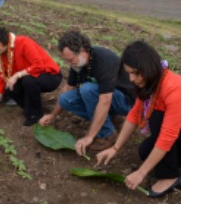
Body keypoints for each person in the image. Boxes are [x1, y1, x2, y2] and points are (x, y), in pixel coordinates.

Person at [96, 41, 181, 198]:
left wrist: (141, 173)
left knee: (157, 118)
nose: (131, 79)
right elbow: (134, 115)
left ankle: (171, 175)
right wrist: (115, 148)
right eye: (128, 73)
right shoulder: (150, 83)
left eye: (135, 73)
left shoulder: (175, 88)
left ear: (147, 68)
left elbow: (168, 136)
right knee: (144, 152)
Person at [40, 30, 135, 154]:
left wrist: (89, 136)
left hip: (125, 101)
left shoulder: (104, 61)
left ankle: (107, 134)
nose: (68, 64)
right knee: (65, 100)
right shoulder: (78, 64)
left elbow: (105, 100)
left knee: (87, 89)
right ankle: (108, 120)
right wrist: (53, 115)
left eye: (70, 60)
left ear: (83, 51)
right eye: (66, 61)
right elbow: (68, 87)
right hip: (103, 97)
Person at [0, 26, 62, 126]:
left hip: (50, 75)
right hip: (29, 77)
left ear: (0, 38)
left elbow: (39, 65)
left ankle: (36, 114)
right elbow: (1, 77)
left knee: (28, 80)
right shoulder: (2, 54)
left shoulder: (23, 42)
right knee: (9, 86)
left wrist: (17, 75)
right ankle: (29, 108)